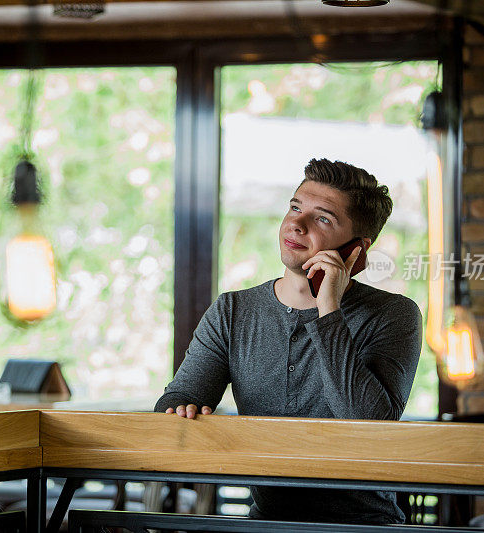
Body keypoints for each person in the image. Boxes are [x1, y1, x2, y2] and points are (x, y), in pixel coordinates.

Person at [153, 157, 422, 525]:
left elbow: (369, 427)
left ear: (356, 249)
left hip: (365, 527)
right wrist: (181, 408)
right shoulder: (233, 310)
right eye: (295, 207)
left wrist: (328, 309)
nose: (295, 223)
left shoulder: (394, 315)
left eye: (322, 218)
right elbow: (178, 399)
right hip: (265, 522)